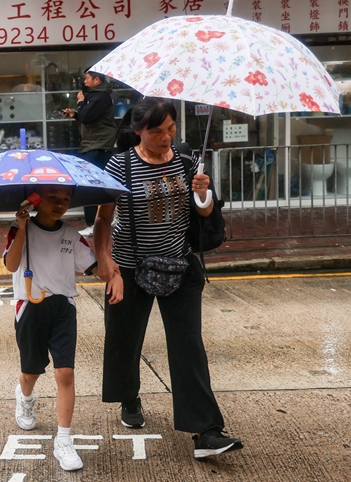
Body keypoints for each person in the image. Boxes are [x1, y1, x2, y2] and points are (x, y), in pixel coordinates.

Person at [92, 98, 243, 460]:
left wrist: (204, 192)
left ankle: (207, 431)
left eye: (171, 129)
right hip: (131, 268)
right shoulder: (121, 165)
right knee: (125, 338)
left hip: (180, 265)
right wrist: (106, 263)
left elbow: (204, 212)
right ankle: (129, 398)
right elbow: (102, 219)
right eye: (157, 131)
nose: (166, 137)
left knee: (189, 345)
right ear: (138, 131)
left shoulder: (186, 161)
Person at [4, 185, 123, 472]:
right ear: (37, 200)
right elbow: (11, 264)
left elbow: (94, 266)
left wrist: (114, 275)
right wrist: (20, 227)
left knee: (65, 373)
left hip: (63, 309)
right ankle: (26, 397)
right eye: (53, 199)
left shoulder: (71, 235)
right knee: (31, 371)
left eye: (65, 200)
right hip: (30, 306)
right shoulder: (20, 228)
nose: (59, 204)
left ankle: (64, 440)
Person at [63, 68, 117, 238]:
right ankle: (100, 220)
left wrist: (80, 103)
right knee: (97, 183)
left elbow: (87, 117)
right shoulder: (96, 97)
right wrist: (75, 114)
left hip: (98, 145)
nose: (84, 82)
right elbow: (89, 117)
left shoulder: (101, 97)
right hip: (95, 143)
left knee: (91, 183)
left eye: (87, 79)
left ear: (96, 81)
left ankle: (94, 223)